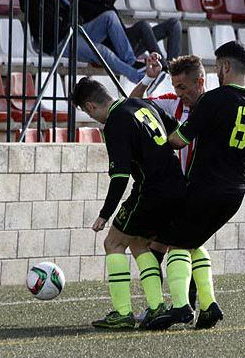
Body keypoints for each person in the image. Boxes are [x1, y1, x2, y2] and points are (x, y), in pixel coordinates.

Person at [145, 41, 245, 330]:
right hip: (235, 193)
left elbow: (179, 139)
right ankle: (210, 305)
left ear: (225, 67)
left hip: (205, 187)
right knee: (193, 242)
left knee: (173, 242)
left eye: (218, 67)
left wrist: (156, 143)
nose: (217, 73)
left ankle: (180, 308)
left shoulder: (213, 100)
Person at [71, 75, 188, 329]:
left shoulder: (115, 122)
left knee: (113, 243)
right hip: (176, 184)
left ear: (91, 106)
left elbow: (120, 175)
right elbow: (177, 132)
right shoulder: (143, 104)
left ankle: (123, 312)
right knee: (137, 241)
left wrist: (105, 213)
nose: (93, 118)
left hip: (151, 190)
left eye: (89, 114)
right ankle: (157, 308)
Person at [130, 53, 221, 328]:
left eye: (183, 87)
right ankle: (190, 307)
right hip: (173, 190)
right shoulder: (172, 103)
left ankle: (174, 308)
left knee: (167, 245)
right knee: (175, 245)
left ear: (200, 82)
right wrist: (148, 77)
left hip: (199, 191)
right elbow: (132, 105)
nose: (178, 93)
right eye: (175, 87)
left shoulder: (217, 107)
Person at [22, 0, 145, 83]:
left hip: (72, 31)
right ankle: (137, 77)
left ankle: (130, 61)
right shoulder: (35, 3)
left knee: (110, 16)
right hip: (58, 41)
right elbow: (48, 27)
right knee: (102, 51)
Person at [78, 0, 182, 72]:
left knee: (174, 24)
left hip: (126, 46)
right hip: (111, 51)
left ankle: (173, 69)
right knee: (142, 26)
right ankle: (164, 70)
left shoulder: (108, 5)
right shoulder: (84, 5)